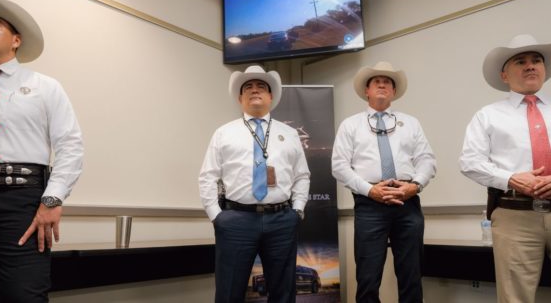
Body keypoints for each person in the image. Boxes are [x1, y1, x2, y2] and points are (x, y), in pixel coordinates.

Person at [0, 0, 83, 302]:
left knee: (23, 295)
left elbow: (70, 145)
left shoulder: (44, 86)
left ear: (16, 40)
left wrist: (52, 198)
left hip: (23, 203)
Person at [199, 65, 310, 303]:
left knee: (283, 293)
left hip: (281, 220)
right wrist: (217, 217)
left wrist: (297, 211)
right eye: (248, 87)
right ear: (240, 98)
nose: (254, 90)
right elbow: (208, 176)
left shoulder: (289, 134)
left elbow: (302, 176)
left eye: (261, 86)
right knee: (229, 292)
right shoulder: (224, 133)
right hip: (236, 220)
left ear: (271, 96)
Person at [332, 61, 436, 303]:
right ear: (366, 91)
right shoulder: (350, 125)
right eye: (376, 81)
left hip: (407, 203)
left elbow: (427, 160)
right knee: (368, 278)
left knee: (411, 274)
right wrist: (370, 190)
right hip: (369, 205)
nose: (382, 84)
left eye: (387, 82)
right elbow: (338, 166)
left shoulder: (411, 123)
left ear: (393, 92)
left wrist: (415, 185)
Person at [460, 34, 551, 303]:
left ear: (544, 70)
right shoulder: (487, 115)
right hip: (515, 215)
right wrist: (510, 178)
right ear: (504, 75)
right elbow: (469, 162)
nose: (530, 65)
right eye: (520, 61)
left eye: (536, 60)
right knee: (515, 298)